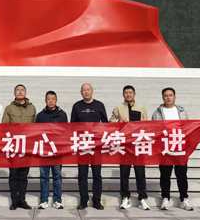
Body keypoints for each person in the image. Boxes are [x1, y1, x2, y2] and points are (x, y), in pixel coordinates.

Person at [152, 87, 193, 211]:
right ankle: (165, 198)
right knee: (165, 174)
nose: (168, 97)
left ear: (174, 97)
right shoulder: (157, 113)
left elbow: (188, 128)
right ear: (162, 97)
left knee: (182, 174)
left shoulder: (182, 111)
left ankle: (184, 198)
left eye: (170, 95)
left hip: (179, 147)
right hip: (165, 147)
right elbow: (154, 130)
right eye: (166, 95)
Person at [110, 85, 151, 210]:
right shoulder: (118, 108)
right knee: (124, 173)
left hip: (138, 145)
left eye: (130, 92)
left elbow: (147, 125)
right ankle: (125, 197)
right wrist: (119, 121)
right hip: (124, 145)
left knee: (140, 173)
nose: (128, 94)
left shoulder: (141, 107)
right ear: (123, 95)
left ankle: (142, 198)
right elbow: (110, 122)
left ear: (134, 94)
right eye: (126, 92)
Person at [70, 82, 108, 210]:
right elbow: (72, 126)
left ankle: (97, 200)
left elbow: (106, 124)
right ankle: (84, 200)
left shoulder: (99, 105)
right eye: (84, 90)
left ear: (92, 91)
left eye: (88, 89)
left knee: (97, 174)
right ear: (81, 92)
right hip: (82, 145)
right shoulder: (77, 106)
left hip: (96, 146)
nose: (86, 92)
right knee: (82, 174)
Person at [2, 84, 36, 210]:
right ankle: (14, 201)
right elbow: (4, 126)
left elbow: (36, 127)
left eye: (22, 90)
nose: (20, 92)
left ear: (25, 93)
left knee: (23, 175)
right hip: (13, 146)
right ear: (14, 93)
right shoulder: (9, 108)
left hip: (26, 146)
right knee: (13, 174)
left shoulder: (32, 108)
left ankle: (22, 200)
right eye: (17, 90)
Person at [35, 90, 68, 209]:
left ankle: (57, 200)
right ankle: (43, 200)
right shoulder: (40, 115)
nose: (51, 101)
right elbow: (36, 133)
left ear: (56, 100)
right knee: (44, 176)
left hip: (57, 151)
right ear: (45, 100)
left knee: (57, 176)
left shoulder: (62, 114)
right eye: (48, 99)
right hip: (44, 150)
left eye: (53, 99)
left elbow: (66, 132)